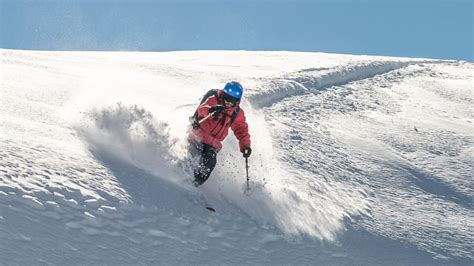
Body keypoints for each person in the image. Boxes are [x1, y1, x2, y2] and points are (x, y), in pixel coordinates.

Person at [188, 81, 252, 186]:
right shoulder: (214, 99)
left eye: (232, 100)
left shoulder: (236, 113)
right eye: (226, 98)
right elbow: (202, 109)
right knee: (193, 154)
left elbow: (241, 129)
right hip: (198, 136)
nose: (228, 102)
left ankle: (193, 184)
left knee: (209, 162)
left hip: (213, 145)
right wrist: (211, 111)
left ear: (237, 101)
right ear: (223, 94)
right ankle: (182, 174)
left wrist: (245, 146)